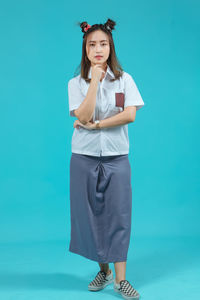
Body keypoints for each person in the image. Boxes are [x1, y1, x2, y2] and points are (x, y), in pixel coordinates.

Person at [67, 18, 145, 300]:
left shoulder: (125, 80)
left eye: (103, 44)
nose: (98, 49)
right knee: (90, 217)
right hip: (84, 159)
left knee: (119, 215)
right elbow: (84, 114)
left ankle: (121, 279)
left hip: (117, 158)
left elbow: (130, 115)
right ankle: (104, 270)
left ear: (111, 47)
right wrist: (95, 81)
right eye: (92, 45)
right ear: (85, 50)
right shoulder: (75, 83)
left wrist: (99, 125)